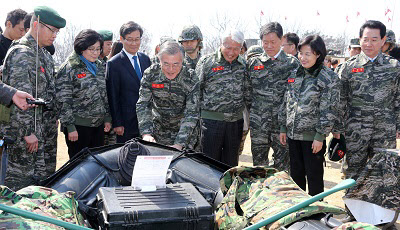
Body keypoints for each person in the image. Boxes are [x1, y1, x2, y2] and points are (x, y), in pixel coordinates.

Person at [1, 6, 66, 190]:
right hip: (27, 137)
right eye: (52, 30)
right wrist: (27, 132)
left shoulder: (43, 54)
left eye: (57, 32)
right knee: (21, 188)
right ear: (36, 25)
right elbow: (21, 99)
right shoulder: (22, 53)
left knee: (42, 186)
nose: (55, 35)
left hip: (43, 132)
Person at [336, 20, 400, 182]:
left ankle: (379, 208)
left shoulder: (393, 67)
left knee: (383, 174)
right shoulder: (348, 67)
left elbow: (398, 97)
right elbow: (340, 100)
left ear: (383, 40)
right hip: (355, 130)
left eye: (374, 39)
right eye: (365, 39)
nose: (369, 44)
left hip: (384, 130)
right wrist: (338, 127)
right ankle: (351, 208)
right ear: (359, 39)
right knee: (353, 174)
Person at [279, 35, 340, 195]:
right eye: (301, 53)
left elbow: (329, 108)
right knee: (296, 177)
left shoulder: (328, 77)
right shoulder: (295, 74)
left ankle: (317, 214)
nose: (303, 57)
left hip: (313, 138)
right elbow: (287, 102)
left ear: (318, 54)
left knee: (314, 178)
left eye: (308, 54)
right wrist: (283, 127)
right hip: (293, 135)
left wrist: (320, 135)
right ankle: (299, 212)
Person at [247, 22, 300, 171]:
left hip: (282, 127)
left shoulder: (292, 64)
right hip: (259, 125)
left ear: (281, 40)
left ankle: (281, 195)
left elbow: (295, 96)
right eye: (265, 42)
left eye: (273, 42)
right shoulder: (253, 63)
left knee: (283, 168)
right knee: (259, 166)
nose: (269, 46)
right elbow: (247, 92)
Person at [196, 29, 250, 166]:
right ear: (221, 44)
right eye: (228, 48)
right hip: (211, 123)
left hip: (235, 124)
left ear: (241, 48)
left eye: (236, 49)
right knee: (209, 163)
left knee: (230, 164)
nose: (231, 53)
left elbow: (247, 92)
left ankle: (228, 188)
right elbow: (195, 92)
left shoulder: (243, 65)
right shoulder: (207, 62)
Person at [56, 29, 111, 159]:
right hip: (78, 127)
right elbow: (63, 100)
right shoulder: (70, 68)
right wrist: (70, 127)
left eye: (98, 49)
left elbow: (104, 94)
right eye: (91, 49)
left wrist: (107, 118)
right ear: (81, 48)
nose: (95, 53)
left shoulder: (99, 66)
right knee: (79, 166)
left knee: (96, 164)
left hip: (98, 126)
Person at [137, 41, 199, 150]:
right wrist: (146, 134)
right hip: (157, 133)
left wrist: (179, 143)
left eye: (176, 64)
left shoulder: (190, 77)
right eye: (166, 64)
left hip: (185, 134)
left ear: (182, 61)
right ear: (159, 60)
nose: (171, 69)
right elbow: (143, 104)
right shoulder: (151, 74)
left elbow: (191, 112)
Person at [106, 21, 151, 143]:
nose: (134, 43)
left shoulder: (145, 59)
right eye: (129, 39)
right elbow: (113, 95)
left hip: (146, 121)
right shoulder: (114, 63)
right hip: (125, 122)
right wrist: (117, 122)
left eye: (137, 39)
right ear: (121, 39)